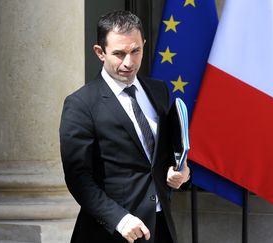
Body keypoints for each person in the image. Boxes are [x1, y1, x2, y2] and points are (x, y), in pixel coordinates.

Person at [59, 10, 190, 243]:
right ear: (100, 52)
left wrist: (181, 171)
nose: (129, 63)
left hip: (161, 228)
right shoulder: (81, 104)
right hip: (111, 232)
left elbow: (166, 154)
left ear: (143, 45)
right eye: (119, 54)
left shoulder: (159, 90)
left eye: (135, 51)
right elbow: (78, 177)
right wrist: (120, 219)